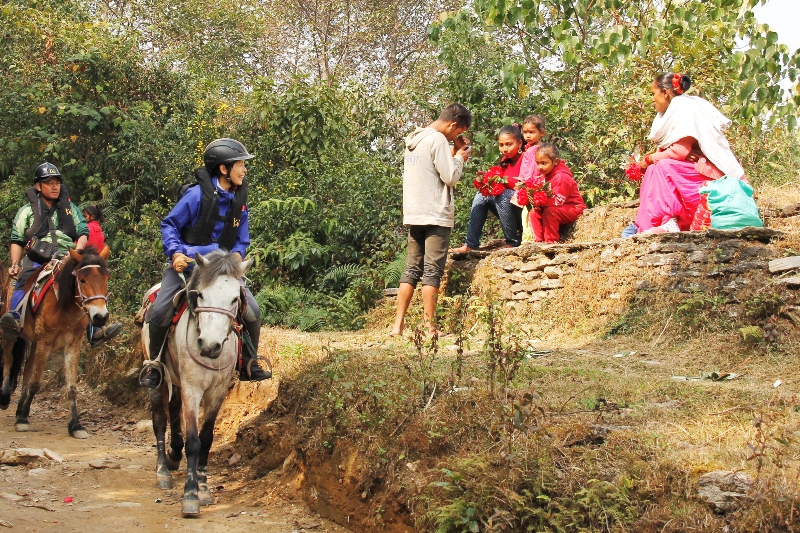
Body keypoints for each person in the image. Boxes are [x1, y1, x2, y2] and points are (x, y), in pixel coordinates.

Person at [139, 138, 270, 388]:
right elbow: (169, 225)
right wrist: (176, 253)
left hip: (222, 272)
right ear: (224, 169)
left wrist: (238, 256)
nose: (244, 170)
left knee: (252, 312)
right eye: (241, 164)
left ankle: (248, 363)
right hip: (187, 268)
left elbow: (242, 241)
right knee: (161, 310)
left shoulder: (239, 202)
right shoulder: (196, 195)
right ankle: (154, 364)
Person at [390, 104, 472, 336]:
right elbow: (451, 177)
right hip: (436, 214)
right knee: (432, 271)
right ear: (453, 125)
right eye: (456, 133)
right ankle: (429, 326)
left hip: (415, 212)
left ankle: (398, 326)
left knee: (411, 269)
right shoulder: (437, 140)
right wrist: (459, 157)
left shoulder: (414, 139)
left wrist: (453, 150)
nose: (455, 137)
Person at [630, 72, 746, 235]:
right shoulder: (673, 110)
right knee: (653, 170)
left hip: (714, 177)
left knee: (662, 166)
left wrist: (648, 159)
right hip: (696, 172)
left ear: (664, 92)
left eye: (653, 94)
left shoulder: (685, 107)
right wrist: (680, 155)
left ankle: (669, 221)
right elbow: (680, 151)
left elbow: (678, 151)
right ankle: (648, 225)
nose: (652, 99)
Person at [1, 163, 89, 341]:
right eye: (49, 183)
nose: (54, 186)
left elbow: (83, 233)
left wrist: (77, 252)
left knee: (92, 276)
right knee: (23, 278)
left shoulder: (71, 209)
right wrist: (15, 264)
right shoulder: (26, 211)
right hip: (38, 256)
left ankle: (96, 330)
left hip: (67, 255)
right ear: (38, 186)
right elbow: (17, 239)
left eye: (57, 182)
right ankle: (15, 318)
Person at [450, 124, 526, 253]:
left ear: (519, 143)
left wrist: (501, 182)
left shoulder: (526, 159)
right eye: (501, 145)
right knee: (482, 194)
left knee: (502, 194)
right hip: (510, 209)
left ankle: (512, 241)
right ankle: (471, 243)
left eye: (509, 144)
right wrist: (488, 180)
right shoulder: (505, 161)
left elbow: (524, 185)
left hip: (524, 210)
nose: (504, 149)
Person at [82, 205, 123, 347]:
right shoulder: (98, 228)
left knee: (91, 295)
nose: (82, 219)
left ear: (91, 217)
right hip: (98, 264)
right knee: (98, 294)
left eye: (84, 216)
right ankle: (97, 329)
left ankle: (94, 331)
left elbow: (83, 246)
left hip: (88, 264)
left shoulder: (89, 229)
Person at [531, 143, 585, 243]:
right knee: (534, 211)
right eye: (537, 163)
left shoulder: (562, 177)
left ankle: (551, 242)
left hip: (573, 207)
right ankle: (538, 241)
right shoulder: (546, 174)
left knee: (550, 211)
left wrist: (540, 202)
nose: (539, 167)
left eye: (543, 163)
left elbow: (558, 201)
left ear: (555, 162)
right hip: (557, 206)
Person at [518, 115, 546, 242]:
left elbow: (533, 170)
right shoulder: (531, 148)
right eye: (525, 132)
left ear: (542, 133)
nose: (527, 135)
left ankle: (528, 239)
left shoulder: (535, 150)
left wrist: (526, 184)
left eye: (532, 132)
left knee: (528, 214)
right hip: (531, 187)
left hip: (531, 188)